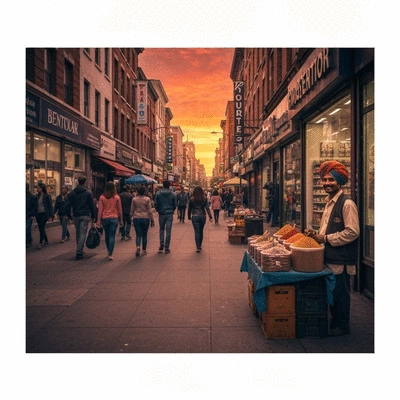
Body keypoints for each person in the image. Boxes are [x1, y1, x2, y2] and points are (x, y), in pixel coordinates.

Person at [304, 160, 359, 337]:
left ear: (340, 181)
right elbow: (327, 228)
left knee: (340, 294)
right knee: (333, 293)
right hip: (329, 255)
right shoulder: (329, 203)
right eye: (325, 180)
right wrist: (316, 234)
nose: (327, 183)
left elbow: (353, 232)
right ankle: (335, 322)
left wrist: (326, 238)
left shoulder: (347, 203)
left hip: (341, 258)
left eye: (331, 180)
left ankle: (342, 326)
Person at [67, 176, 96, 259]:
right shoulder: (88, 192)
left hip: (76, 215)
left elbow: (68, 205)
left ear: (78, 182)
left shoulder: (72, 193)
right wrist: (93, 217)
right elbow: (91, 206)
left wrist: (69, 216)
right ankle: (79, 251)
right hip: (85, 214)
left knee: (78, 232)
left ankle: (80, 248)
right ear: (85, 182)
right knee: (83, 233)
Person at [96, 181, 123, 260]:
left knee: (107, 236)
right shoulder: (117, 197)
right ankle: (110, 253)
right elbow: (120, 210)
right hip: (114, 218)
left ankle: (108, 250)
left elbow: (100, 210)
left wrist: (98, 221)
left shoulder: (102, 197)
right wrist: (121, 220)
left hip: (105, 218)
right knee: (112, 236)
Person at [130, 186, 155, 257]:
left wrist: (130, 217)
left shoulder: (134, 199)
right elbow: (150, 211)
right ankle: (144, 250)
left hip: (136, 218)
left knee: (138, 235)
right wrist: (152, 220)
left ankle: (138, 246)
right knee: (144, 235)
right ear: (144, 192)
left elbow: (132, 210)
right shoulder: (147, 199)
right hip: (145, 218)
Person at [154, 180, 177, 254]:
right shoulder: (173, 194)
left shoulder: (158, 193)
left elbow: (155, 204)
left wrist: (159, 210)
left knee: (161, 229)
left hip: (161, 213)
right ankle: (167, 247)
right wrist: (172, 210)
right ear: (169, 185)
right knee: (168, 230)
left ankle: (161, 243)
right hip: (169, 213)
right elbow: (175, 205)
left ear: (163, 185)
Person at [188, 186, 213, 252]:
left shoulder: (192, 199)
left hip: (195, 216)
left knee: (197, 231)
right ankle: (200, 244)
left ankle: (198, 246)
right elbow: (207, 208)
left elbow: (189, 208)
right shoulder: (204, 198)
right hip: (202, 216)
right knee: (201, 231)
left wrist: (189, 216)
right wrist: (210, 217)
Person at [34, 183, 54, 249]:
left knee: (41, 227)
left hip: (44, 214)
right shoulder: (37, 196)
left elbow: (50, 206)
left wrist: (51, 216)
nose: (37, 189)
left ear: (42, 188)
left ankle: (41, 242)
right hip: (38, 214)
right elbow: (35, 206)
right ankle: (46, 240)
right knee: (41, 228)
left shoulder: (47, 196)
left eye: (38, 188)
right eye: (37, 188)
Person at [26, 183, 36, 248]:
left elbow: (34, 206)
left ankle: (28, 241)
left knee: (27, 228)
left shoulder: (32, 196)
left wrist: (32, 214)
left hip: (28, 214)